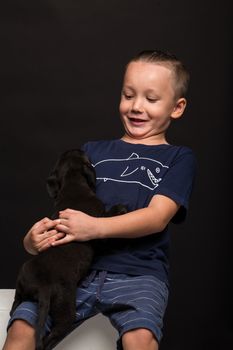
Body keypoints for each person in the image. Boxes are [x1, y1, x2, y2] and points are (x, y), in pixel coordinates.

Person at [3, 49, 196, 350]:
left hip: (139, 273)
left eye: (151, 99)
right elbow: (70, 214)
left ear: (177, 107)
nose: (136, 107)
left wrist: (94, 228)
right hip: (73, 271)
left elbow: (157, 217)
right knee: (22, 326)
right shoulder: (91, 152)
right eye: (128, 95)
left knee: (141, 338)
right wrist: (32, 242)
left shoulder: (178, 158)